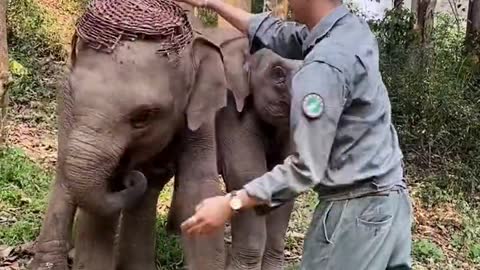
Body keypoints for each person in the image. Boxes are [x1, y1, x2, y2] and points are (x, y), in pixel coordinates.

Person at [177, 0, 413, 269]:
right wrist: (213, 3)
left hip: (354, 216)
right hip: (391, 203)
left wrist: (231, 203)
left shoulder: (321, 69)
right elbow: (277, 34)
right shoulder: (351, 30)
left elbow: (304, 169)